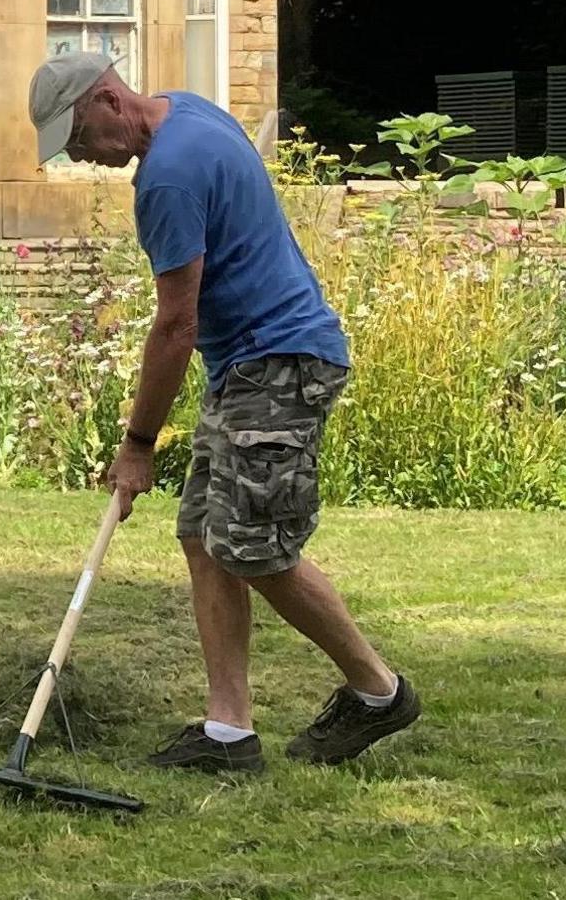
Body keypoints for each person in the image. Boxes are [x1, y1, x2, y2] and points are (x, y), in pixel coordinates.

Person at [27, 52, 420, 773]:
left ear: (108, 100)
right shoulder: (189, 110)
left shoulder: (167, 179)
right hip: (250, 364)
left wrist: (138, 443)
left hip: (282, 362)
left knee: (254, 546)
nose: (82, 157)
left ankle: (378, 691)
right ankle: (228, 732)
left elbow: (175, 325)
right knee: (206, 535)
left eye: (79, 137)